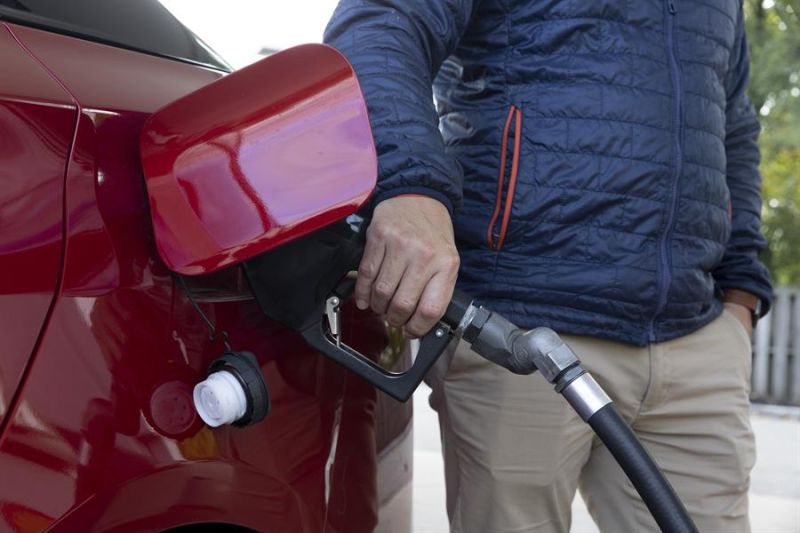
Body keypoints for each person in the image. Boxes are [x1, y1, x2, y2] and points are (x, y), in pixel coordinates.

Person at [324, 1, 773, 531]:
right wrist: (410, 185)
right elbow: (382, 22)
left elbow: (734, 128)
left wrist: (741, 290)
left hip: (694, 339)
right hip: (520, 330)